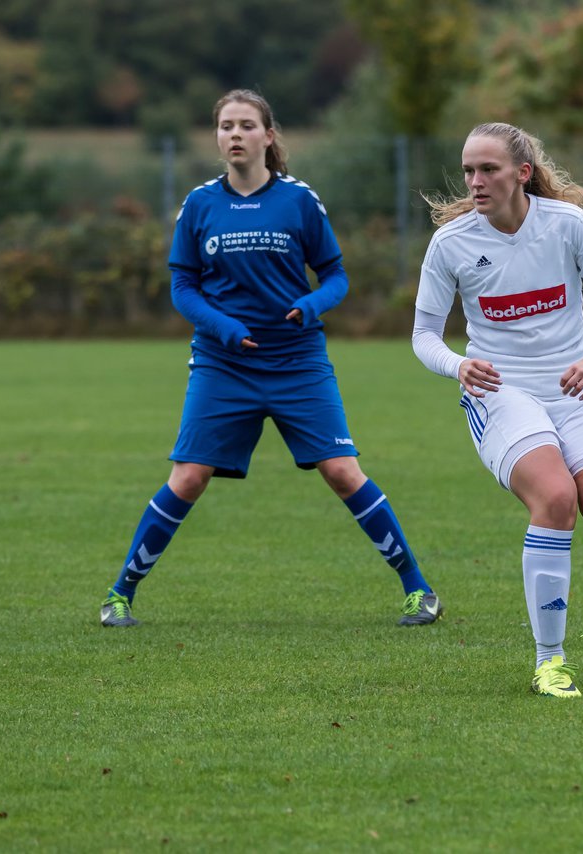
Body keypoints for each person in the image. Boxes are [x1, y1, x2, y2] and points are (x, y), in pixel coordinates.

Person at [99, 89, 443, 628]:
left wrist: (310, 305)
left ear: (268, 135)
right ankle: (120, 595)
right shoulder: (199, 204)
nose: (234, 134)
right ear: (217, 137)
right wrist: (224, 327)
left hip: (297, 361)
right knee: (188, 477)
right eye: (225, 126)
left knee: (342, 470)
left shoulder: (299, 200)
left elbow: (335, 276)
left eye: (245, 125)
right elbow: (183, 287)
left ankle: (418, 590)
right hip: (222, 362)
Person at [412, 122, 583, 698]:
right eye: (468, 169)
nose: (475, 180)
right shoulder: (452, 243)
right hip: (501, 392)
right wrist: (457, 365)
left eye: (487, 169)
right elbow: (423, 335)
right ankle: (549, 660)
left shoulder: (565, 225)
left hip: (576, 387)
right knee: (557, 497)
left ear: (522, 172)